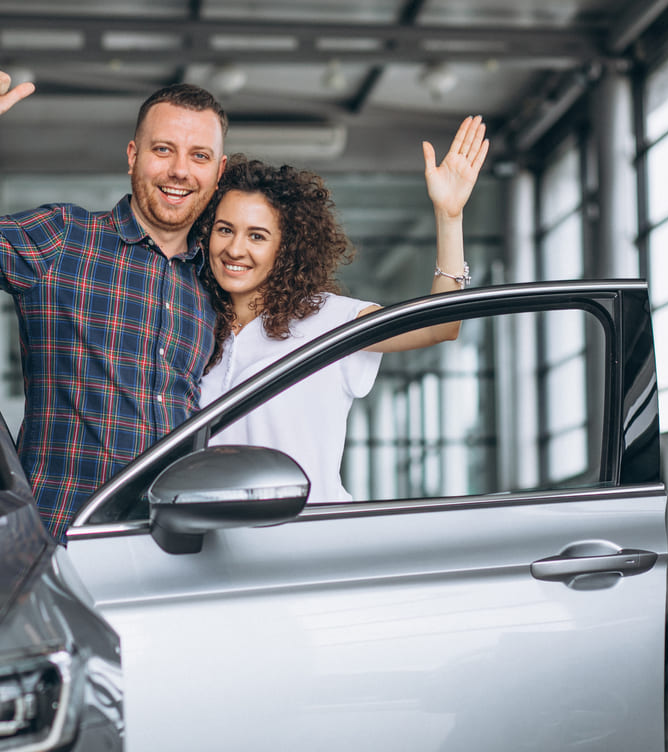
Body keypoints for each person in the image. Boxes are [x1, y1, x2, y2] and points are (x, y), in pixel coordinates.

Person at [0, 67, 229, 541]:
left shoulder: (214, 282)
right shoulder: (63, 239)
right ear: (133, 156)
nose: (180, 170)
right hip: (60, 539)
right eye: (163, 149)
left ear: (217, 171)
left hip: (170, 541)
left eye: (199, 156)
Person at [197, 115, 488, 502]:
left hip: (313, 534)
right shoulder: (194, 324)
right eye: (225, 229)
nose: (235, 249)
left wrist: (449, 217)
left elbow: (439, 327)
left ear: (285, 248)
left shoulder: (326, 319)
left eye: (257, 236)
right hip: (216, 534)